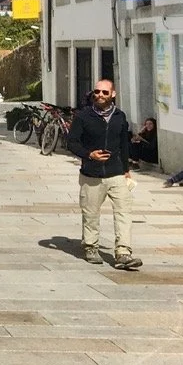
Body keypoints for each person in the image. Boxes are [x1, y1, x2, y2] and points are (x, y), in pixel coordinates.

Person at [66, 79, 142, 269]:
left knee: (124, 212)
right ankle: (91, 246)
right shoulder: (83, 116)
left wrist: (126, 170)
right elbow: (72, 142)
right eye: (97, 92)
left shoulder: (119, 116)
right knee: (91, 213)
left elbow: (123, 144)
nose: (100, 95)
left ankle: (123, 253)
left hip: (116, 173)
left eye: (104, 93)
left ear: (113, 94)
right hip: (91, 174)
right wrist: (88, 154)